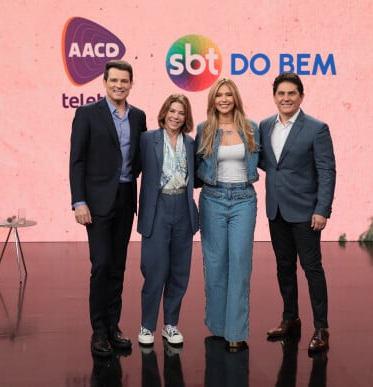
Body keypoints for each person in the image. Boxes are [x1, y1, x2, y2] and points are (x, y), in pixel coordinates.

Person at [69, 60, 147, 357]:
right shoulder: (87, 114)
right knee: (101, 265)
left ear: (131, 84)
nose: (119, 85)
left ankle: (114, 327)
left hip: (126, 200)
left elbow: (141, 160)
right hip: (96, 203)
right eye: (113, 80)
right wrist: (79, 202)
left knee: (118, 267)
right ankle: (98, 332)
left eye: (124, 81)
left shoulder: (138, 117)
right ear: (104, 82)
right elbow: (76, 161)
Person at [259, 72, 336, 352]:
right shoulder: (265, 126)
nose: (286, 98)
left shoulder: (317, 128)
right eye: (281, 93)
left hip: (306, 212)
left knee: (312, 268)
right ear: (274, 97)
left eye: (292, 93)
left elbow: (327, 171)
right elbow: (268, 164)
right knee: (284, 267)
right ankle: (290, 318)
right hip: (276, 210)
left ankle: (321, 328)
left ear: (301, 96)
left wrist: (322, 209)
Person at [195, 78, 260, 352]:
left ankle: (236, 331)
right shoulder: (204, 129)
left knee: (240, 265)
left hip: (244, 200)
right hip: (213, 199)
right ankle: (219, 326)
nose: (224, 99)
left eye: (228, 94)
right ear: (213, 99)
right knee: (215, 265)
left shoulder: (251, 128)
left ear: (235, 98)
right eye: (219, 95)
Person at [137, 94, 199, 347]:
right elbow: (132, 170)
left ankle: (170, 325)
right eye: (172, 111)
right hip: (158, 207)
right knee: (155, 269)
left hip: (183, 206)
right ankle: (147, 325)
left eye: (181, 112)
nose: (176, 116)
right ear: (164, 113)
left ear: (186, 117)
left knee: (180, 271)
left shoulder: (191, 143)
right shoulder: (147, 139)